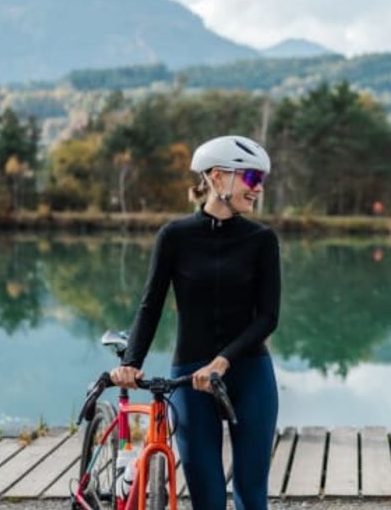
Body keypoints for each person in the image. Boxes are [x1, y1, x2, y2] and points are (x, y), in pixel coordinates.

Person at [110, 135, 280, 510]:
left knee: (252, 497)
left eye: (261, 180)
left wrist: (223, 361)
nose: (259, 188)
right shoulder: (174, 236)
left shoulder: (262, 240)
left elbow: (268, 316)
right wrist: (131, 363)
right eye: (252, 178)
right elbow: (150, 305)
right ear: (218, 178)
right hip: (190, 375)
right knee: (207, 500)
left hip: (248, 372)